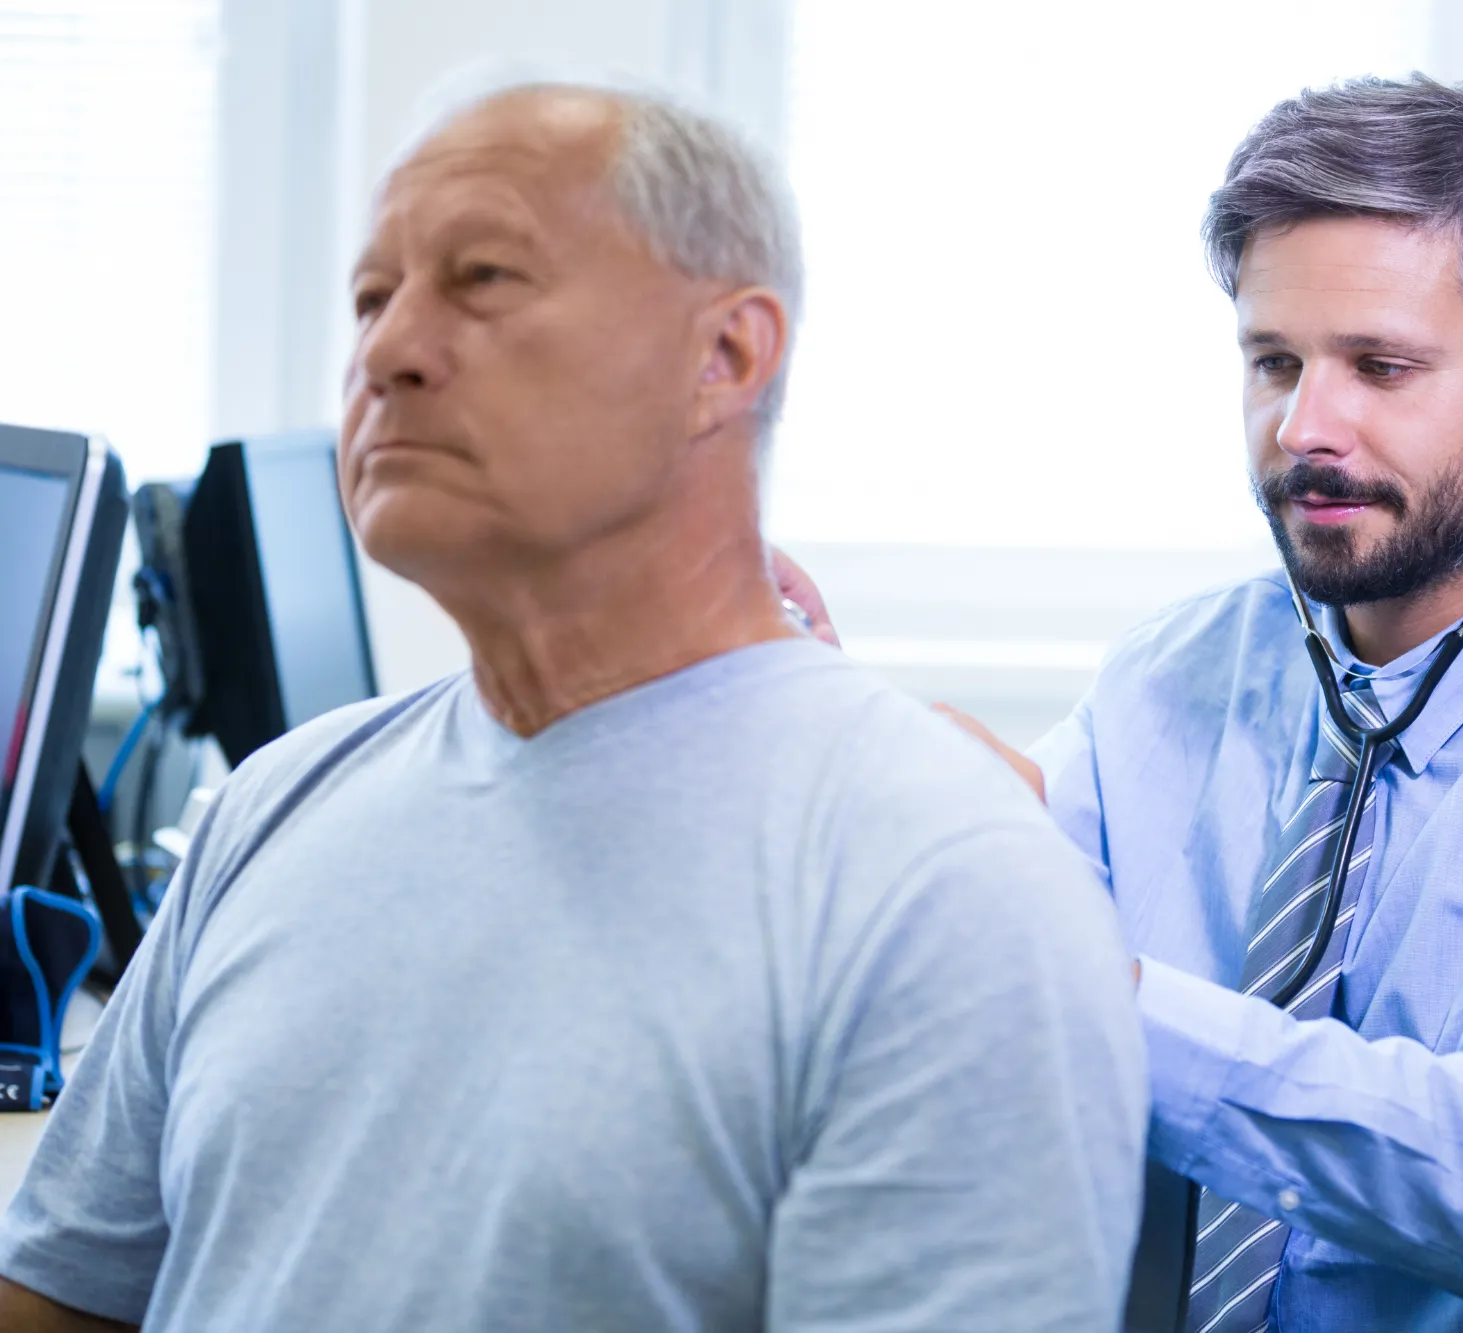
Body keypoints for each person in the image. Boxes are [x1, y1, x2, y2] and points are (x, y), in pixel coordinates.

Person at [0, 83, 1147, 1332]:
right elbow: (65, 1294)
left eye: (481, 277)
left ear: (726, 356)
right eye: (371, 299)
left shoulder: (945, 889)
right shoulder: (280, 801)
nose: (387, 351)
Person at [784, 76, 1463, 1328]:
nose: (1304, 426)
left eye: (1379, 367)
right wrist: (807, 724)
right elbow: (989, 921)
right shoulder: (1180, 675)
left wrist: (1084, 984)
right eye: (1272, 361)